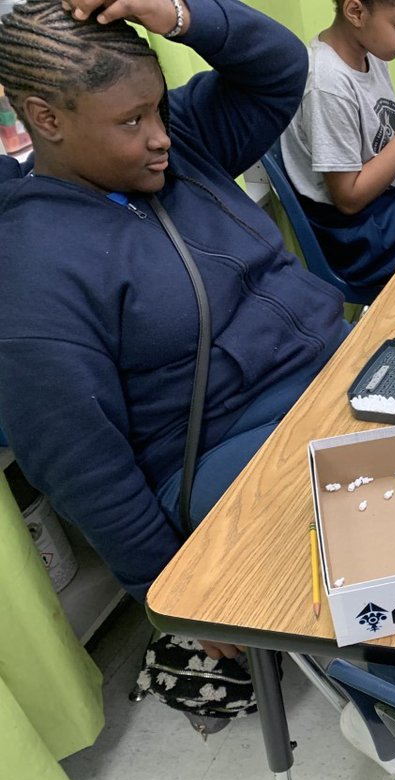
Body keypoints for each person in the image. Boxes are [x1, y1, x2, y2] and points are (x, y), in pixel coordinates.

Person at [0, 0, 347, 664]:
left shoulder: (176, 144)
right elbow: (80, 462)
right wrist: (164, 584)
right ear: (47, 119)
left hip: (337, 374)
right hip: (231, 448)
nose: (161, 135)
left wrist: (180, 14)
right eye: (132, 120)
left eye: (158, 107)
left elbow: (279, 65)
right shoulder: (33, 267)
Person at [280, 0, 395, 293]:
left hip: (386, 200)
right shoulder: (327, 84)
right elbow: (349, 200)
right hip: (355, 236)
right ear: (356, 12)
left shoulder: (370, 55)